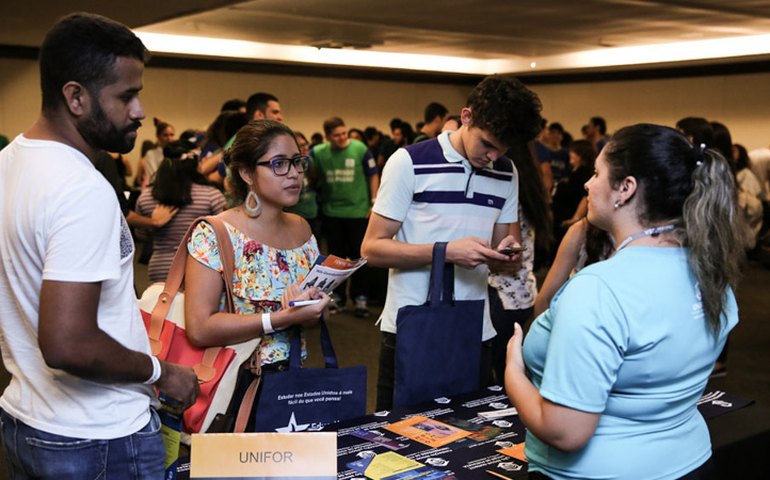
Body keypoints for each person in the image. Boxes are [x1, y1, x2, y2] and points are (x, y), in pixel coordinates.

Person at [0, 12, 199, 478]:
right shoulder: (81, 189)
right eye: (126, 96)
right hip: (98, 438)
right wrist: (163, 372)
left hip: (27, 419)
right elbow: (67, 343)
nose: (140, 111)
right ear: (75, 97)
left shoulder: (8, 164)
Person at [506, 123, 743, 479]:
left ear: (625, 189)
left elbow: (565, 431)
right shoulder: (711, 272)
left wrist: (513, 371)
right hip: (689, 462)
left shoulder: (598, 289)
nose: (587, 183)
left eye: (598, 173)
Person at [360, 75, 543, 410]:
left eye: (502, 149)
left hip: (474, 326)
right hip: (412, 324)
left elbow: (508, 252)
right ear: (467, 116)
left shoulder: (507, 171)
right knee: (398, 437)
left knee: (463, 437)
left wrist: (506, 255)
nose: (493, 156)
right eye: (487, 144)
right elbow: (372, 249)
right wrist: (446, 253)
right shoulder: (410, 161)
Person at [184, 121, 330, 425]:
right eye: (278, 164)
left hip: (293, 382)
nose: (293, 173)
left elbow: (315, 319)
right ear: (247, 173)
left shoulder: (302, 229)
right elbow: (199, 327)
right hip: (235, 386)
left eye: (297, 162)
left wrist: (314, 306)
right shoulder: (216, 233)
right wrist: (280, 318)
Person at [487, 141, 552, 386]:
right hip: (522, 291)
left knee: (502, 378)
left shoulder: (508, 194)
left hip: (504, 294)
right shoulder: (529, 190)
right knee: (507, 372)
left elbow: (511, 257)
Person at [312, 116, 380, 317]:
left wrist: (374, 202)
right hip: (332, 212)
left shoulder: (359, 149)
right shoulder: (318, 153)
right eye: (336, 135)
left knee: (360, 258)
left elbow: (373, 174)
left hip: (358, 212)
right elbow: (311, 174)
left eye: (344, 133)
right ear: (327, 137)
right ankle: (337, 297)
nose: (342, 138)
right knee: (336, 259)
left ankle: (360, 299)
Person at [136, 140, 226, 282]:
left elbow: (142, 234)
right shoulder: (211, 195)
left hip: (160, 268)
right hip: (200, 268)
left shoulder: (146, 197)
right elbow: (224, 233)